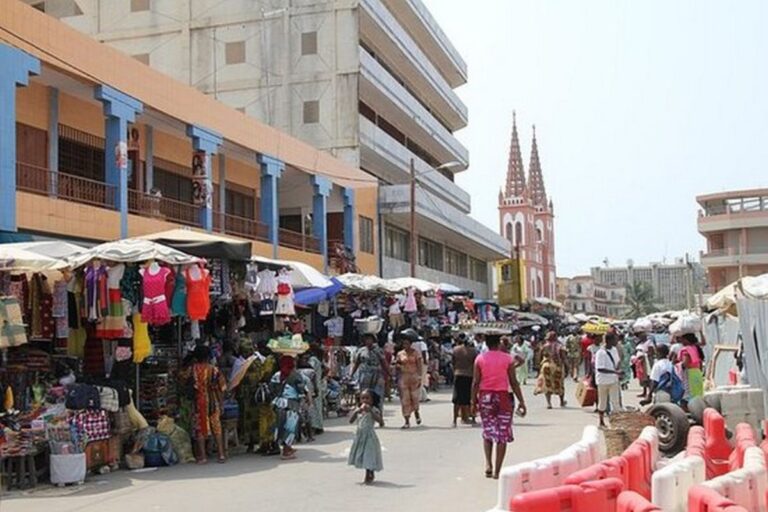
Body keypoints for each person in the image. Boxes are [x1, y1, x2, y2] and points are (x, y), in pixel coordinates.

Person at [471, 334, 527, 480]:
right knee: (502, 434)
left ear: (486, 344)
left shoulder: (480, 359)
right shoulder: (507, 359)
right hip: (503, 398)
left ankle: (488, 464)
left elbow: (476, 382)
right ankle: (497, 470)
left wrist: (473, 402)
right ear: (498, 343)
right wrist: (521, 401)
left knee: (487, 430)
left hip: (485, 398)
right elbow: (514, 382)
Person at [188, 345, 227, 464]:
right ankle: (221, 455)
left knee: (200, 429)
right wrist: (221, 404)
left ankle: (203, 457)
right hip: (213, 401)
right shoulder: (214, 370)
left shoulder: (193, 369)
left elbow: (185, 381)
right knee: (217, 427)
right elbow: (221, 388)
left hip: (199, 402)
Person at [271, 354, 307, 460]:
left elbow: (271, 389)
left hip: (278, 403)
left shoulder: (276, 375)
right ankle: (286, 451)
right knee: (290, 427)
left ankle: (286, 447)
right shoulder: (296, 375)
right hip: (292, 404)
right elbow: (301, 391)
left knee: (280, 425)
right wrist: (304, 401)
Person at [348, 389, 384, 484]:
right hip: (360, 436)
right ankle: (369, 471)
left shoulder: (374, 410)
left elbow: (380, 421)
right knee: (362, 455)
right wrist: (356, 412)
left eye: (367, 398)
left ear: (372, 400)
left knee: (369, 455)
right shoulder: (358, 410)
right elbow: (350, 421)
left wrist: (371, 411)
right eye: (363, 398)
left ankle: (369, 473)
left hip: (369, 437)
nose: (365, 401)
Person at [350, 334, 389, 411]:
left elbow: (384, 363)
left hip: (376, 376)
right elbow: (356, 363)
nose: (368, 341)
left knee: (378, 394)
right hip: (364, 375)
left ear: (373, 340)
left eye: (369, 339)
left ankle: (378, 413)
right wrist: (351, 374)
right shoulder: (361, 351)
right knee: (364, 394)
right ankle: (364, 412)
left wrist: (389, 374)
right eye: (366, 339)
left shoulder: (378, 350)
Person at [395, 329, 424, 429]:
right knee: (405, 399)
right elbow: (396, 363)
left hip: (414, 377)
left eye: (407, 344)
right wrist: (397, 366)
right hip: (403, 377)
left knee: (415, 398)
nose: (405, 346)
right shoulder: (400, 354)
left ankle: (416, 412)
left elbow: (420, 365)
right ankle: (407, 420)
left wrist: (420, 377)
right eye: (404, 344)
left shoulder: (416, 353)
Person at [595, 332, 622, 427]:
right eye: (615, 339)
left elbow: (617, 361)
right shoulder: (600, 353)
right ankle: (601, 421)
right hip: (603, 381)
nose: (617, 341)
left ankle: (617, 423)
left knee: (615, 402)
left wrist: (618, 369)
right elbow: (600, 368)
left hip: (613, 380)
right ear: (609, 341)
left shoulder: (614, 349)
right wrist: (615, 372)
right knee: (602, 402)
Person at [535, 331, 567, 409]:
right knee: (560, 384)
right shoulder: (560, 346)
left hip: (546, 366)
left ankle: (549, 403)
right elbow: (564, 358)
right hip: (557, 366)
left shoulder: (544, 346)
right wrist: (567, 368)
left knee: (547, 384)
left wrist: (538, 368)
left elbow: (538, 358)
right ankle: (562, 401)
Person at [452, 334, 477, 427]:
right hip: (469, 375)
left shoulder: (456, 350)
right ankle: (473, 418)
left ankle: (454, 421)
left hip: (458, 374)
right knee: (471, 397)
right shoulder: (473, 351)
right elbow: (475, 364)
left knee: (457, 399)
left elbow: (453, 362)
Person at [679, 333, 705, 402]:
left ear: (687, 340)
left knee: (688, 393)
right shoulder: (695, 348)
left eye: (683, 340)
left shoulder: (686, 350)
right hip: (697, 372)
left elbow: (685, 363)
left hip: (689, 374)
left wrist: (679, 365)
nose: (681, 342)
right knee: (697, 392)